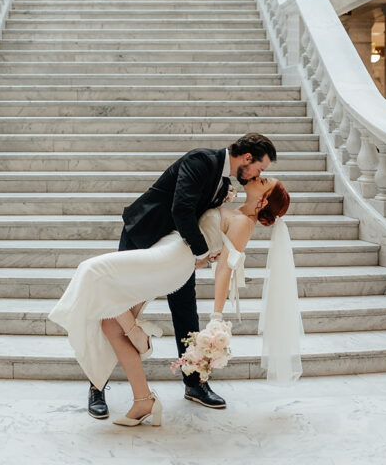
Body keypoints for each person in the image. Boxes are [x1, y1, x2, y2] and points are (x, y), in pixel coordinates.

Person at [49, 133, 277, 419]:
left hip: (176, 248)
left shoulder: (224, 185)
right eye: (261, 168)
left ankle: (194, 383)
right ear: (247, 158)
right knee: (111, 309)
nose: (259, 174)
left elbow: (203, 220)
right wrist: (203, 253)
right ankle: (97, 386)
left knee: (185, 312)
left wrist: (214, 246)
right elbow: (181, 209)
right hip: (144, 237)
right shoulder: (201, 160)